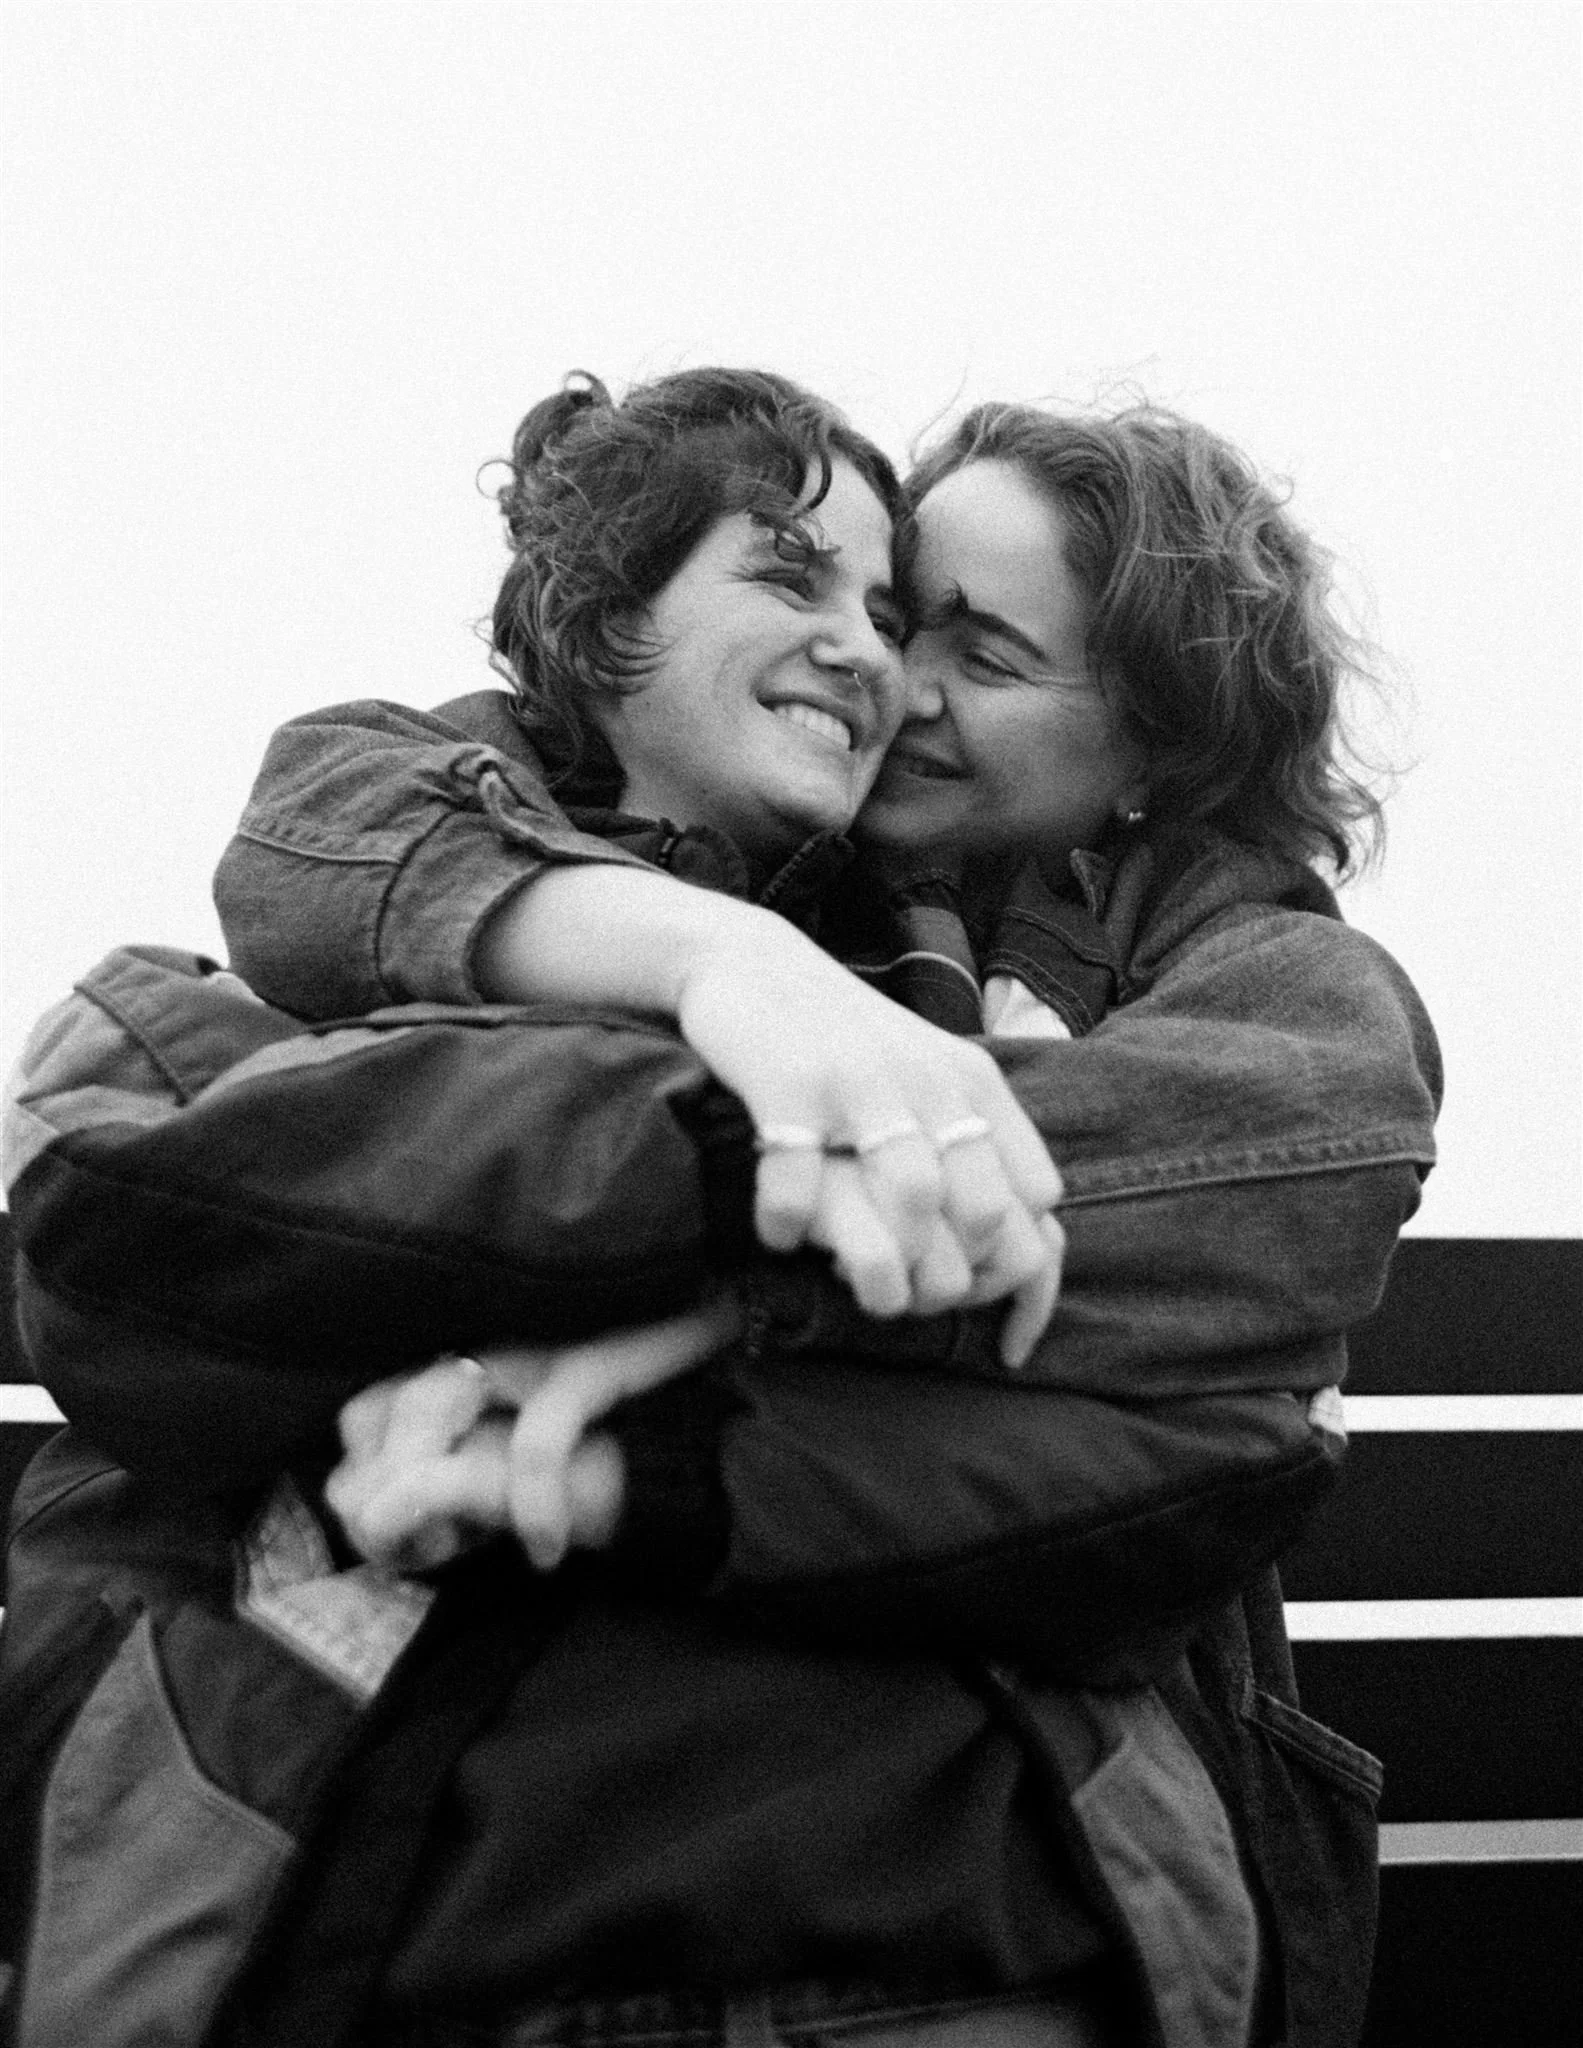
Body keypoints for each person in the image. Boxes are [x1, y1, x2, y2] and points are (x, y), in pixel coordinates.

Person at [1, 369, 1440, 2048]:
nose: (886, 671)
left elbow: (1245, 1342)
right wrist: (727, 987)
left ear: (1151, 740)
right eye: (872, 605)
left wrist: (698, 1298)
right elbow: (160, 1143)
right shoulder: (535, 826)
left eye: (969, 647)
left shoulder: (1155, 962)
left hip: (965, 1857)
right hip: (424, 1834)